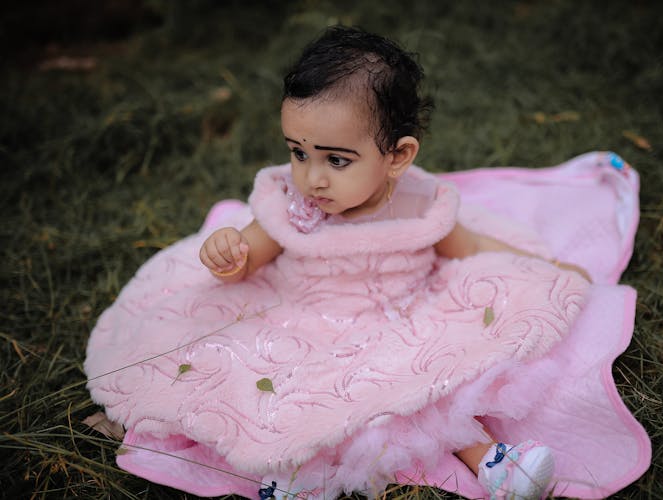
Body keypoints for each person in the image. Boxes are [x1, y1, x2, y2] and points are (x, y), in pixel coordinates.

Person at [197, 26, 589, 499]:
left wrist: (543, 267)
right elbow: (248, 255)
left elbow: (472, 248)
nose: (311, 179)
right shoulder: (293, 205)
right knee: (301, 389)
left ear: (397, 156)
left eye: (336, 161)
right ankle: (296, 471)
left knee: (433, 380)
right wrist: (228, 254)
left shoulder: (419, 204)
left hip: (401, 318)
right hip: (313, 323)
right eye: (298, 153)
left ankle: (494, 462)